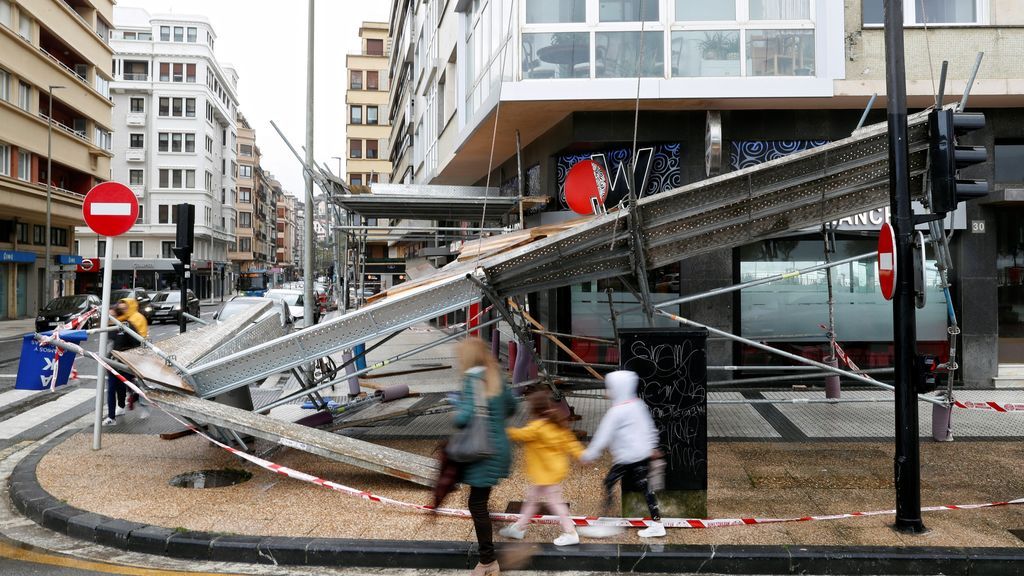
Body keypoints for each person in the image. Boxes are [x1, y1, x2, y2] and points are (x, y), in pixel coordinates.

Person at [452, 338, 517, 576]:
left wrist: (457, 409)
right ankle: (496, 535)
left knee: (476, 504)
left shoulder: (472, 380)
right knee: (480, 499)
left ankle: (488, 562)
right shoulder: (496, 377)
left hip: (481, 453)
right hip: (499, 450)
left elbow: (463, 418)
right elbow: (512, 407)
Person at [577, 370, 665, 538]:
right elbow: (649, 426)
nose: (608, 391)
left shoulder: (616, 411)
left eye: (610, 387)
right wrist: (653, 446)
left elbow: (603, 436)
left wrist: (588, 455)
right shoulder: (638, 404)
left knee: (609, 483)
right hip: (641, 454)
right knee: (646, 488)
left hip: (626, 458)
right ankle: (657, 523)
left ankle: (606, 519)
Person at [500, 390, 585, 546]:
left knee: (554, 503)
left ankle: (571, 532)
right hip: (550, 472)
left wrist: (500, 429)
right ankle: (519, 528)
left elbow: (519, 434)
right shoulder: (557, 422)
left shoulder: (537, 427)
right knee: (532, 500)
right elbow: (570, 442)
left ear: (534, 410)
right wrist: (581, 455)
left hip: (545, 475)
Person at [102, 298, 148, 426]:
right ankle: (112, 417)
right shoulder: (109, 328)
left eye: (112, 315)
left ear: (118, 315)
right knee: (112, 389)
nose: (109, 318)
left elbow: (137, 342)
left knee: (130, 386)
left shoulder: (127, 325)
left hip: (125, 362)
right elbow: (110, 345)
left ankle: (141, 404)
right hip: (112, 363)